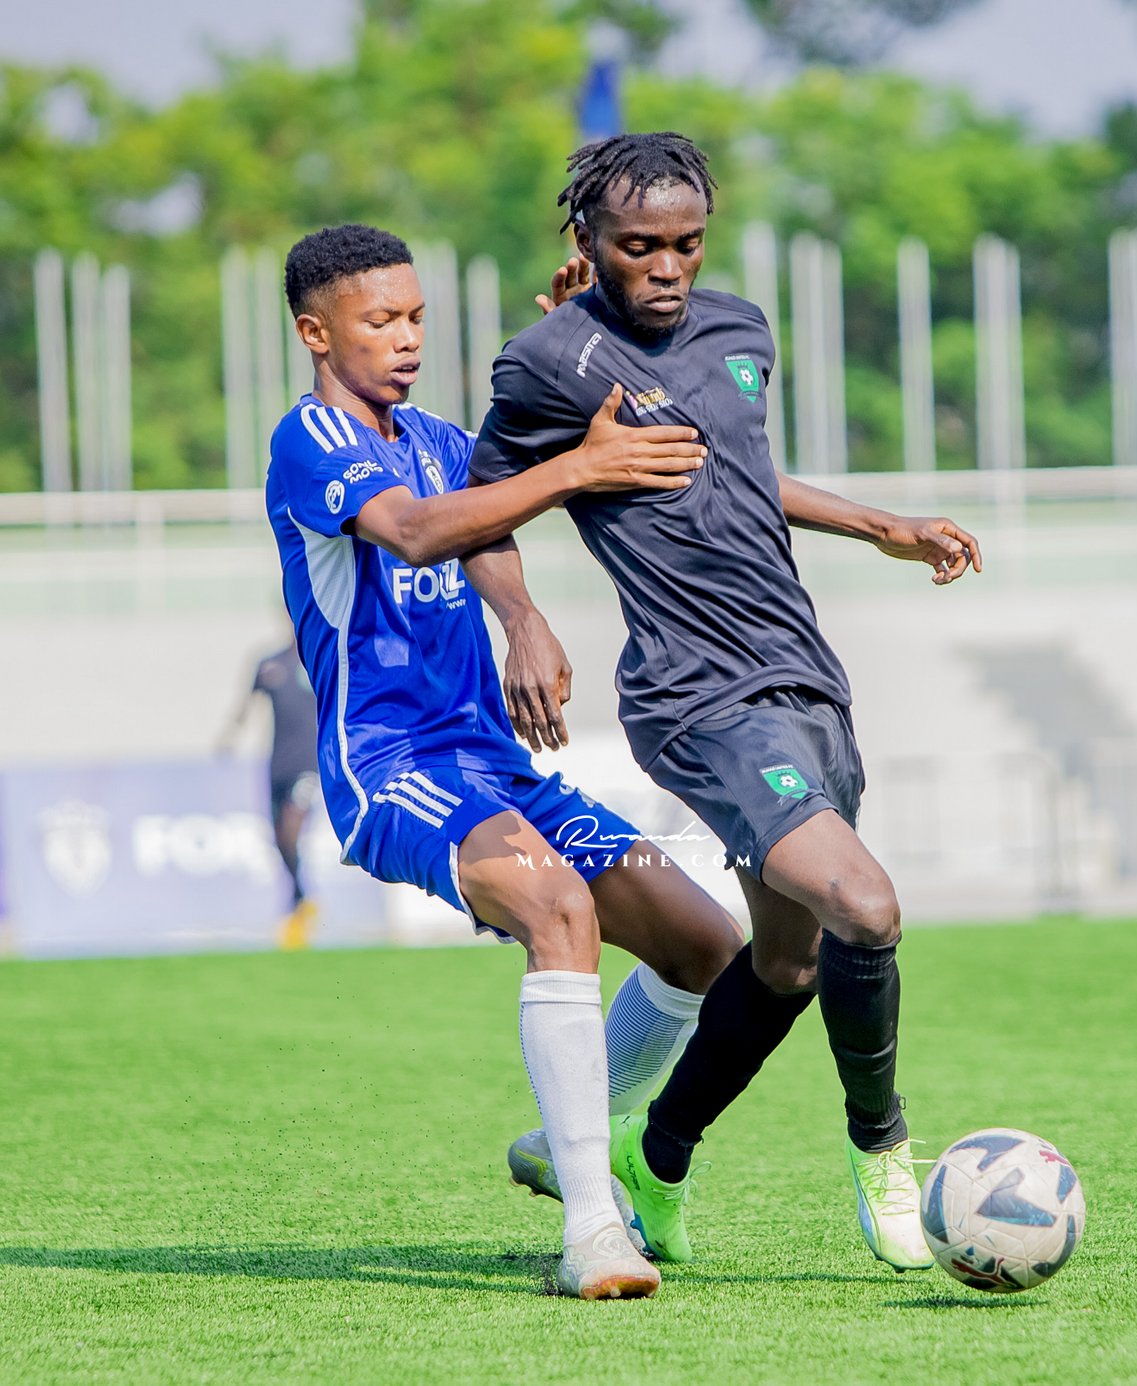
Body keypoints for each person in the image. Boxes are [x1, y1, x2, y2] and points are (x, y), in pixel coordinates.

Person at [467, 133, 984, 1273]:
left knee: (789, 963)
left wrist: (881, 525)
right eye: (637, 246)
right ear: (587, 239)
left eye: (686, 243)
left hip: (804, 677)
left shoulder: (742, 330)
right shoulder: (547, 361)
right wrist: (524, 621)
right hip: (695, 695)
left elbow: (739, 472)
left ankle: (653, 1159)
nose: (666, 267)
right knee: (865, 906)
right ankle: (883, 1150)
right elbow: (484, 505)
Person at [265, 223, 746, 1299]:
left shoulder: (441, 438)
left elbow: (489, 519)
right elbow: (418, 531)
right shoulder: (310, 439)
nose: (406, 338)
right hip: (391, 765)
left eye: (416, 317)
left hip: (493, 762)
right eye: (379, 321)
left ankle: (559, 1138)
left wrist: (523, 617)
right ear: (315, 332)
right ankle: (593, 1230)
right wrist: (575, 467)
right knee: (558, 908)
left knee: (704, 944)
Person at [217, 625, 322, 948]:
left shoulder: (318, 661)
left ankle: (300, 903)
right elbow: (246, 706)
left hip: (308, 765)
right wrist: (229, 738)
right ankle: (299, 899)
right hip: (277, 765)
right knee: (278, 840)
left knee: (291, 831)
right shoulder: (269, 664)